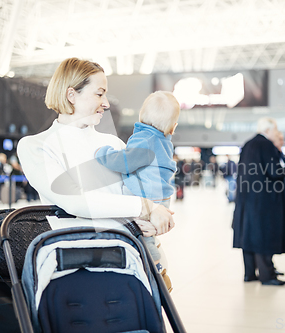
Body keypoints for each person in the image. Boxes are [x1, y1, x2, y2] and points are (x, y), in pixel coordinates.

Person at [16, 57, 174, 276]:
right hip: (79, 267)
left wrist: (152, 219)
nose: (106, 103)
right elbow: (76, 201)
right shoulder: (36, 146)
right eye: (99, 94)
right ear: (72, 95)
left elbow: (137, 196)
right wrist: (146, 207)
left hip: (132, 260)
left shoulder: (113, 145)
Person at [94, 90, 180, 274]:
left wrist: (103, 153)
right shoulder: (164, 141)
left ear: (141, 117)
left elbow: (124, 162)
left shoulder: (144, 139)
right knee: (148, 234)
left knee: (144, 238)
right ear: (173, 128)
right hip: (162, 197)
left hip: (146, 196)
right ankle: (153, 261)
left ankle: (153, 264)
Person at [232, 117, 285, 285]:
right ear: (268, 130)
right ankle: (267, 275)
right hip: (264, 199)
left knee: (247, 235)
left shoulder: (247, 144)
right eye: (275, 130)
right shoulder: (266, 145)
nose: (276, 134)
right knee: (264, 235)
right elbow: (274, 172)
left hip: (246, 198)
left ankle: (249, 273)